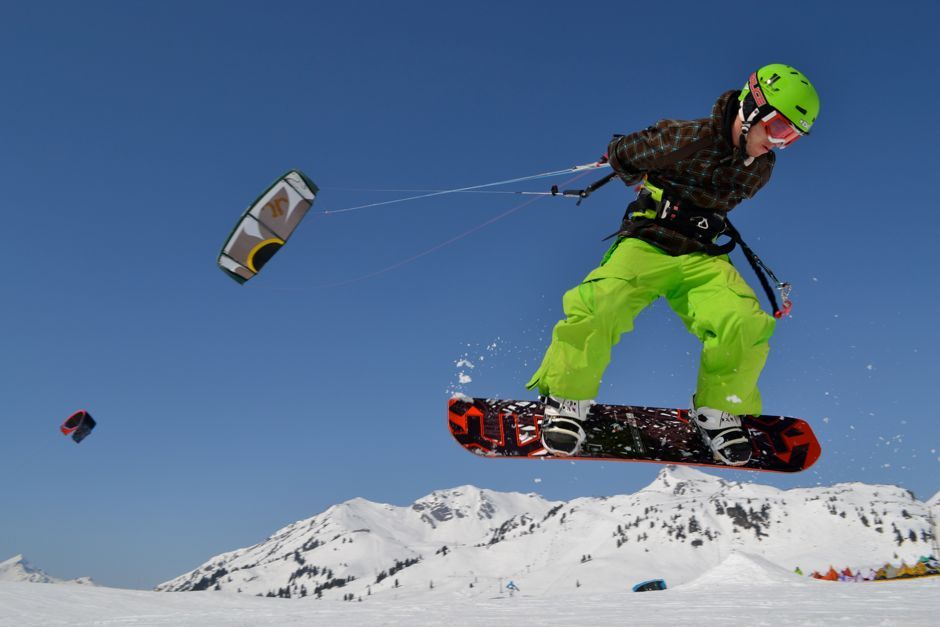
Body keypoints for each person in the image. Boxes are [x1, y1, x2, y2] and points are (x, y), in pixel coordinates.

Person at [526, 64, 820, 465]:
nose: (779, 143)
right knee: (601, 303)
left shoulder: (761, 168)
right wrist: (624, 160)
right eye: (779, 128)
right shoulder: (687, 137)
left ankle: (720, 410)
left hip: (700, 255)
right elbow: (626, 152)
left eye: (792, 138)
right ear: (752, 109)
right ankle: (567, 398)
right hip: (647, 242)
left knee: (744, 321)